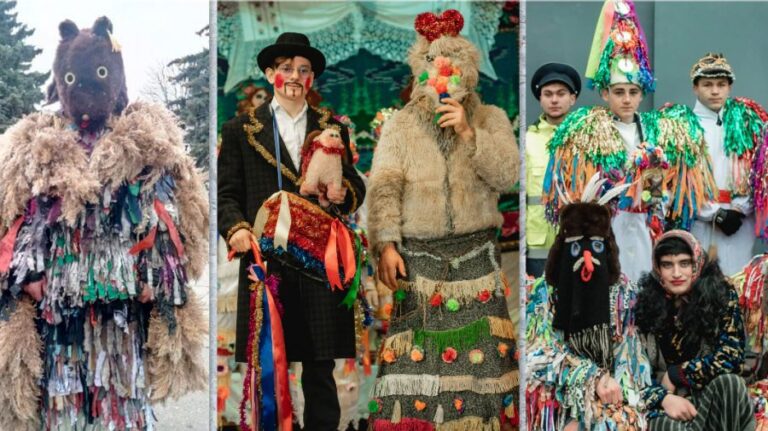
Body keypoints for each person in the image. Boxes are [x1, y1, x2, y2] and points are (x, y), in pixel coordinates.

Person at [0, 17, 208, 429]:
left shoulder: (143, 140)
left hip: (123, 307)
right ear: (60, 80)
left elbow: (165, 215)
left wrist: (158, 277)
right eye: (72, 78)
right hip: (57, 310)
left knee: (120, 398)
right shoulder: (38, 145)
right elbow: (18, 217)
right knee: (62, 403)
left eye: (98, 75)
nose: (84, 90)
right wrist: (27, 270)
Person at [366, 9, 519, 429]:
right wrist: (387, 245)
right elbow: (383, 186)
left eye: (454, 69)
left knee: (482, 372)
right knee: (417, 373)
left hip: (476, 260)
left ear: (468, 74)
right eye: (435, 69)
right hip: (419, 261)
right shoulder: (401, 124)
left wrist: (471, 134)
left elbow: (508, 175)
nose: (444, 78)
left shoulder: (491, 119)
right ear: (422, 73)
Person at [217, 32, 366, 429]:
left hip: (319, 259)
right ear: (270, 74)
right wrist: (236, 230)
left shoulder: (331, 127)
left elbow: (355, 186)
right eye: (286, 69)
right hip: (266, 262)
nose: (295, 76)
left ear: (313, 79)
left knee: (320, 367)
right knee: (270, 367)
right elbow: (227, 193)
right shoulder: (239, 130)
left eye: (304, 70)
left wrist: (341, 193)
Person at [542, 0, 715, 282]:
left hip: (648, 225)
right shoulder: (587, 130)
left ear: (641, 94)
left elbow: (674, 184)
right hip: (608, 227)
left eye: (633, 92)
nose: (626, 99)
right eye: (619, 91)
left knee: (648, 283)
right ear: (604, 94)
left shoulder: (658, 129)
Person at [526, 175, 651, 431]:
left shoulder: (623, 294)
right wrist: (591, 378)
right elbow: (539, 351)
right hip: (558, 390)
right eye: (576, 249)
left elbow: (628, 353)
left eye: (595, 246)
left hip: (611, 393)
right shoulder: (544, 293)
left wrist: (605, 393)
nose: (587, 258)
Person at [635, 230, 754, 430]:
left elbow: (731, 358)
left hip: (712, 401)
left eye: (684, 263)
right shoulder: (645, 304)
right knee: (664, 426)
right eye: (667, 265)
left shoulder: (721, 296)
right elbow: (632, 373)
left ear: (697, 264)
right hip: (667, 404)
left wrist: (677, 374)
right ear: (657, 269)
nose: (676, 273)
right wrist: (663, 398)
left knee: (730, 384)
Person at [687, 53, 768, 276]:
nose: (715, 91)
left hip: (740, 221)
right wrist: (714, 213)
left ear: (729, 87)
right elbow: (684, 181)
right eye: (708, 85)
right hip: (702, 222)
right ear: (695, 88)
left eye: (721, 85)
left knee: (740, 280)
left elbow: (758, 173)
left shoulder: (748, 123)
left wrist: (740, 208)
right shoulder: (684, 127)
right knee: (702, 281)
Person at [526, 63, 580, 277]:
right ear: (540, 99)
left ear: (572, 98)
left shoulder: (586, 138)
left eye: (561, 93)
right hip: (538, 246)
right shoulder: (527, 140)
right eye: (547, 94)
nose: (554, 100)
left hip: (577, 241)